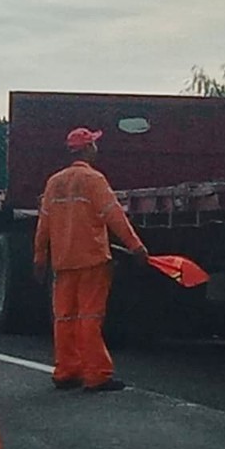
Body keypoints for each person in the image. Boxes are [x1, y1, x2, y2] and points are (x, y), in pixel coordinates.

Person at [33, 127, 149, 392]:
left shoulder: (54, 183)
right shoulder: (93, 180)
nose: (97, 148)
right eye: (94, 144)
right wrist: (136, 246)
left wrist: (40, 259)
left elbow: (44, 225)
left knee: (64, 318)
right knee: (90, 316)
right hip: (92, 260)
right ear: (86, 149)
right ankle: (96, 374)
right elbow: (114, 215)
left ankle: (66, 370)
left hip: (63, 262)